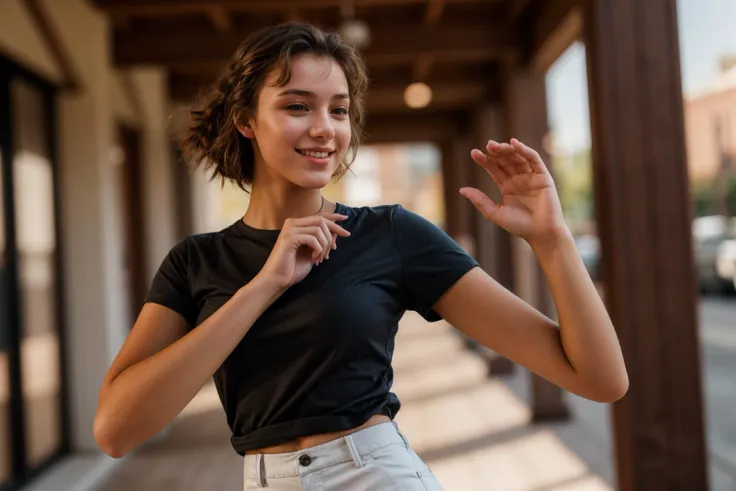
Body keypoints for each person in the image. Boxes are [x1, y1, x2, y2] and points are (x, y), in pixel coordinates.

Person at [93, 22, 628, 491]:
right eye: (298, 105)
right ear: (246, 120)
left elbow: (600, 379)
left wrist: (552, 239)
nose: (326, 127)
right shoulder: (195, 262)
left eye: (340, 110)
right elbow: (116, 430)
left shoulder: (390, 234)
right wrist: (262, 287)